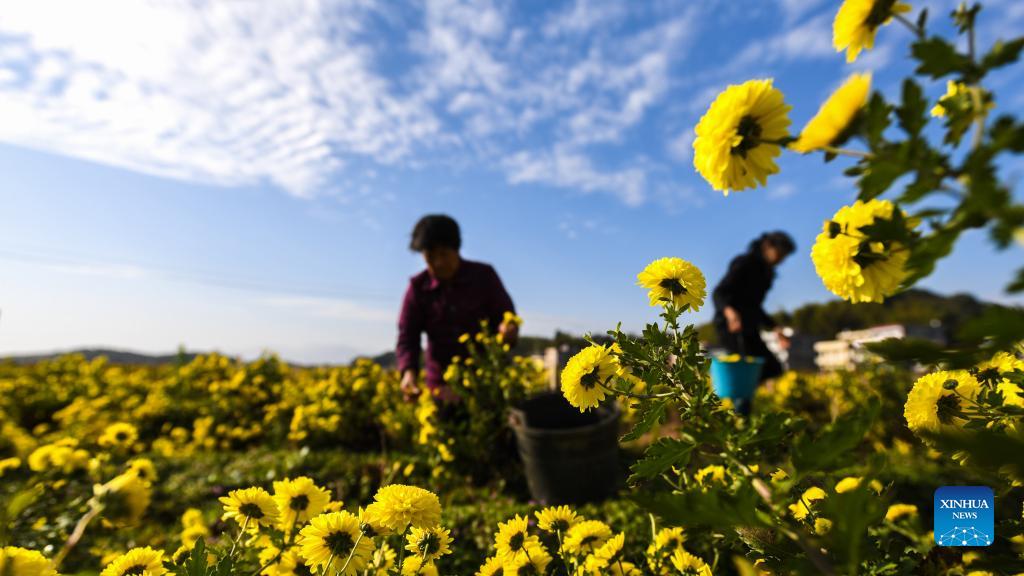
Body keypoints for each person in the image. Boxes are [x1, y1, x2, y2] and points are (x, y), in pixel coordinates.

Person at [396, 214, 518, 402]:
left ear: (457, 248)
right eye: (430, 257)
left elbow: (506, 316)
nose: (438, 263)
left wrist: (507, 329)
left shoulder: (484, 276)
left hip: (489, 384)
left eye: (443, 254)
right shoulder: (418, 288)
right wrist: (408, 372)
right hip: (442, 389)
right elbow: (407, 337)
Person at [712, 231, 795, 392]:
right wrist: (729, 312)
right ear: (767, 246)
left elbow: (755, 307)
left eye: (784, 257)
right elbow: (719, 292)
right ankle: (739, 402)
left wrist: (774, 327)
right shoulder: (744, 263)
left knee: (772, 368)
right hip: (730, 327)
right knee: (745, 370)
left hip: (750, 327)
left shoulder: (766, 274)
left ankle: (753, 399)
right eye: (780, 254)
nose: (780, 260)